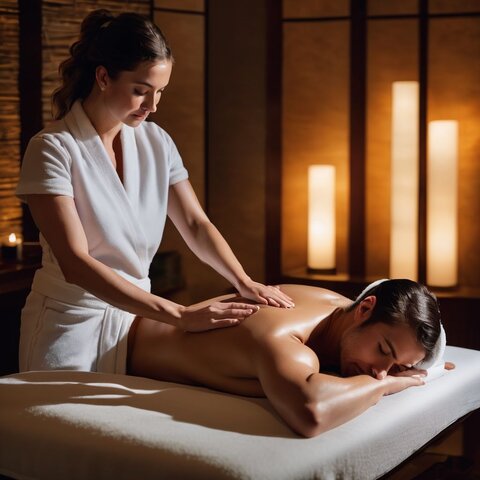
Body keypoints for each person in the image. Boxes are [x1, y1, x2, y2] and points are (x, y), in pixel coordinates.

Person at [16, 9, 293, 374]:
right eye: (140, 91)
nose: (152, 106)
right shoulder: (52, 148)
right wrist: (180, 314)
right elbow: (75, 262)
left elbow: (194, 223)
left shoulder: (156, 142)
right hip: (71, 325)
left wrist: (242, 281)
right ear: (102, 77)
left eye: (160, 92)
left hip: (136, 321)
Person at [127, 279, 451, 438]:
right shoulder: (283, 338)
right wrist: (391, 384)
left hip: (138, 317)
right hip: (108, 351)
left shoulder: (338, 306)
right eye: (383, 352)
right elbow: (311, 412)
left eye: (396, 366)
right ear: (365, 309)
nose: (380, 372)